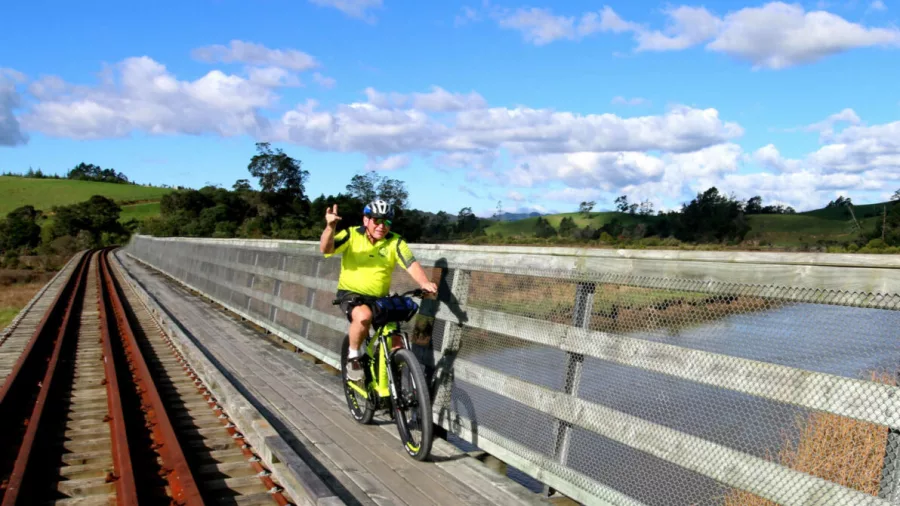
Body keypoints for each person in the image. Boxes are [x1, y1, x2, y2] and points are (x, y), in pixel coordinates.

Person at [319, 200, 437, 381]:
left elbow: (410, 263)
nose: (382, 226)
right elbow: (326, 248)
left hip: (379, 298)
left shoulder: (395, 241)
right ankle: (353, 356)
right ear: (366, 220)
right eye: (377, 220)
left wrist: (424, 282)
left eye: (387, 222)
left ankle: (391, 387)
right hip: (351, 294)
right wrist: (330, 227)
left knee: (395, 340)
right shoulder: (351, 234)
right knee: (364, 316)